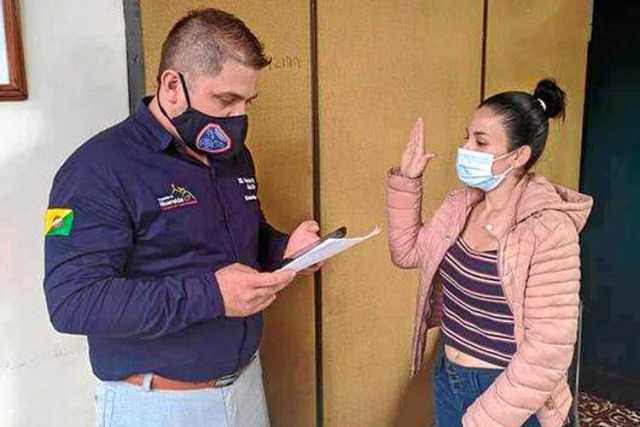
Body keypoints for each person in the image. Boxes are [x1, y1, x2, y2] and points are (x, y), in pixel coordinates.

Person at [43, 8, 321, 427]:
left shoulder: (231, 156)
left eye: (247, 102)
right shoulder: (96, 169)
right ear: (172, 85)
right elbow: (73, 302)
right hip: (159, 404)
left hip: (245, 387)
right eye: (225, 100)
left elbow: (244, 237)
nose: (238, 117)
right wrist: (212, 295)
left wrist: (286, 250)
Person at [385, 79, 593, 426]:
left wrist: (482, 419)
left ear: (518, 156)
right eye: (466, 137)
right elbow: (407, 253)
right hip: (449, 375)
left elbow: (547, 354)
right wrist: (408, 180)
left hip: (509, 394)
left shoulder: (549, 229)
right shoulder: (461, 205)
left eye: (480, 142)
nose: (465, 148)